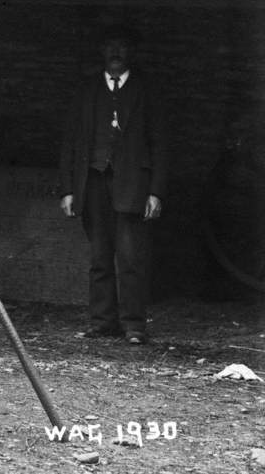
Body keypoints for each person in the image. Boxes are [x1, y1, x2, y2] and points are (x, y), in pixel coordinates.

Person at [58, 23, 166, 344]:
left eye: (122, 46)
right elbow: (71, 142)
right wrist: (67, 189)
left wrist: (156, 191)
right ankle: (103, 322)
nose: (116, 52)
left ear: (131, 52)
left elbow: (160, 143)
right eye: (110, 46)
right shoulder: (87, 90)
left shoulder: (147, 91)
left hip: (132, 186)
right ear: (102, 52)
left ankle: (134, 325)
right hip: (93, 184)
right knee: (99, 257)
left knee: (131, 258)